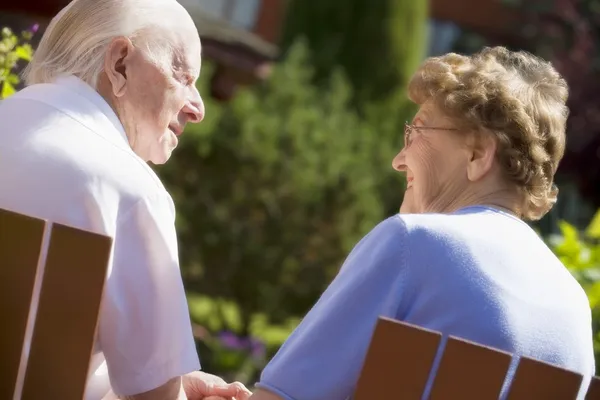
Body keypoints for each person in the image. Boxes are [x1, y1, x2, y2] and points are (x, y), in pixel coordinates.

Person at [248, 46, 596, 400]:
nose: (399, 160)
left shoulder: (413, 242)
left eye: (417, 131)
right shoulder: (574, 304)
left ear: (478, 153)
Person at [0, 0, 251, 399]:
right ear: (119, 64)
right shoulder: (129, 191)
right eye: (184, 76)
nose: (198, 108)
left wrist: (178, 384)